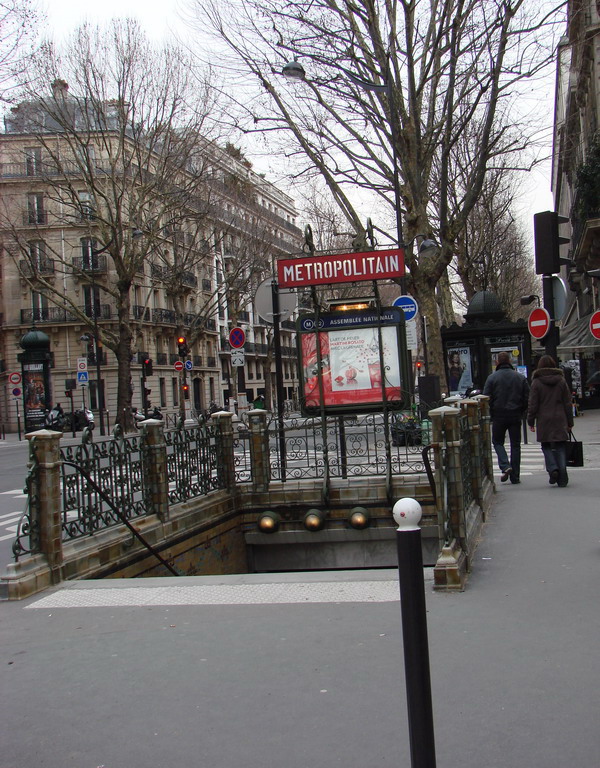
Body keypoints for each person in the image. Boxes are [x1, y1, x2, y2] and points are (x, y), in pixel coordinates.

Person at [483, 351, 530, 484]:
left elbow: (486, 398)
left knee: (497, 442)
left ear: (497, 362)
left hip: (499, 415)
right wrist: (521, 410)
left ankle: (505, 465)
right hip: (515, 414)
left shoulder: (492, 378)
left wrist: (491, 411)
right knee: (515, 445)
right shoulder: (519, 377)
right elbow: (527, 396)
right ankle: (515, 476)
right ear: (509, 361)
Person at [527, 355, 574, 487]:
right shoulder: (561, 381)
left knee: (546, 445)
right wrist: (570, 422)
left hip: (543, 418)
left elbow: (533, 404)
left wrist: (530, 421)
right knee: (560, 446)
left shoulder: (536, 382)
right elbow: (567, 403)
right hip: (560, 417)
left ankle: (553, 468)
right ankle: (563, 474)